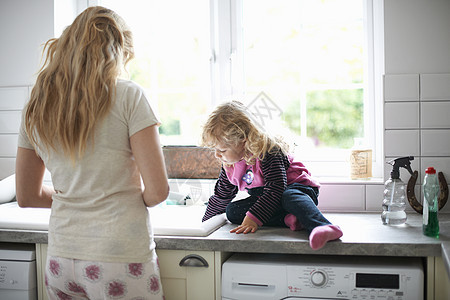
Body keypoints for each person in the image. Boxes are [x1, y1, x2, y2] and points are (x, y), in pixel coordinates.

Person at [15, 6, 169, 299]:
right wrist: (127, 199)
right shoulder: (128, 95)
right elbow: (158, 191)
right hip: (118, 257)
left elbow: (27, 196)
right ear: (118, 50)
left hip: (61, 260)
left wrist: (77, 196)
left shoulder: (36, 105)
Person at [201, 101, 343, 250]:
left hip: (297, 189)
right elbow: (221, 196)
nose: (217, 155)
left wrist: (253, 218)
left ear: (243, 139)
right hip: (270, 200)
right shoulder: (230, 164)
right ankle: (292, 218)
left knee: (288, 196)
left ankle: (322, 225)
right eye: (214, 149)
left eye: (222, 150)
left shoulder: (268, 151)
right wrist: (205, 223)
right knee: (232, 211)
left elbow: (276, 188)